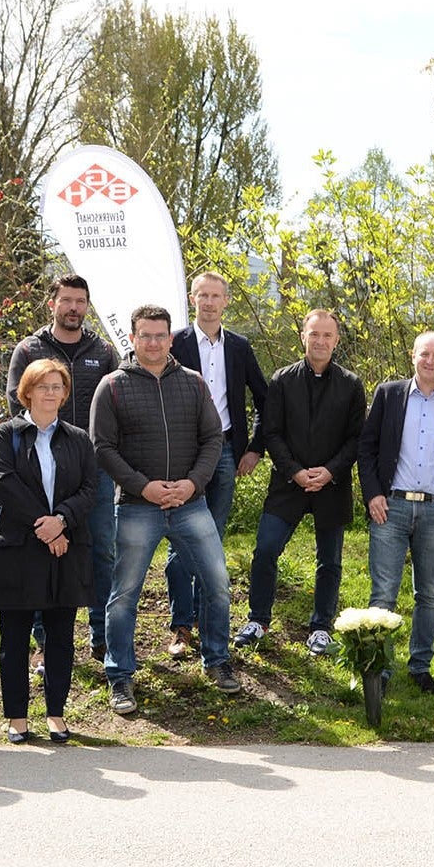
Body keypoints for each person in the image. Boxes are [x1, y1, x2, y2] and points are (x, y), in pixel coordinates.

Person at [92, 305, 240, 710]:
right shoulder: (113, 386)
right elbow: (102, 448)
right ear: (133, 338)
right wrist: (146, 487)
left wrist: (193, 482)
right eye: (145, 335)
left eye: (160, 335)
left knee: (218, 585)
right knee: (124, 595)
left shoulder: (192, 383)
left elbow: (213, 438)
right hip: (139, 507)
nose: (153, 343)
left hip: (191, 504)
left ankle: (218, 660)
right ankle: (120, 675)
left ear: (171, 338)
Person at [6, 274, 120, 661]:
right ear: (52, 303)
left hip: (95, 471)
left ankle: (102, 637)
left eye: (81, 301)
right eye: (67, 300)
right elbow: (15, 405)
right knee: (43, 551)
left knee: (101, 551)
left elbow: (116, 403)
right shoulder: (29, 349)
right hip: (40, 470)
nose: (74, 308)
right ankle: (42, 640)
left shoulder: (103, 351)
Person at [240, 309, 366, 655]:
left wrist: (329, 471)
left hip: (332, 484)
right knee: (265, 550)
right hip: (288, 482)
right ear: (303, 337)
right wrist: (295, 471)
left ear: (336, 340)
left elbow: (356, 438)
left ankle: (321, 628)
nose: (321, 341)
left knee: (330, 561)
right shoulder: (282, 380)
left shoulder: (352, 385)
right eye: (315, 334)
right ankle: (257, 619)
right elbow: (272, 430)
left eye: (328, 335)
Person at [0, 359, 97, 743]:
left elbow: (88, 490)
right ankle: (16, 717)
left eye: (57, 386)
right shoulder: (6, 434)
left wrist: (61, 521)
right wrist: (46, 528)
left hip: (66, 548)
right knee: (14, 637)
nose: (50, 392)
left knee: (61, 636)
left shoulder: (79, 439)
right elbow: (5, 484)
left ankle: (56, 714)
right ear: (27, 391)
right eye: (43, 386)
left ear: (65, 394)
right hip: (19, 549)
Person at [359, 331, 434, 694]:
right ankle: (380, 671)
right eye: (424, 354)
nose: (430, 361)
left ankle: (420, 668)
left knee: (429, 594)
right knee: (383, 594)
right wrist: (373, 494)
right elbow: (368, 447)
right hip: (389, 507)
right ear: (413, 356)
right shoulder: (389, 393)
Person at [167, 271, 268, 659]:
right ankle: (181, 624)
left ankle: (205, 619)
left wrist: (255, 448)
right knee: (180, 538)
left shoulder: (240, 347)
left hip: (226, 452)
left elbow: (264, 399)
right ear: (192, 299)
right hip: (182, 454)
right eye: (202, 295)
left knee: (212, 540)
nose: (209, 302)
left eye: (216, 296)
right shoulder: (174, 342)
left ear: (226, 301)